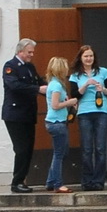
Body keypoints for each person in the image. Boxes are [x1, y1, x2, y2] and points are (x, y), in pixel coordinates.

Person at [0, 39, 45, 193]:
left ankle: (22, 180)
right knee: (21, 149)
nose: (31, 55)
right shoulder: (10, 66)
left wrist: (53, 89)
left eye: (32, 52)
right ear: (20, 51)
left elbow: (40, 82)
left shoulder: (30, 67)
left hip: (28, 114)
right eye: (29, 52)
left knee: (28, 148)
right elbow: (15, 86)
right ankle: (16, 182)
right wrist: (38, 89)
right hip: (14, 114)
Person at [69, 45, 107, 192]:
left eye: (91, 56)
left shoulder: (103, 72)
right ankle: (87, 181)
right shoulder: (75, 75)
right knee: (87, 149)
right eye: (86, 56)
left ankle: (99, 181)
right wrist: (86, 84)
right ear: (81, 58)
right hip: (84, 113)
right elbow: (75, 95)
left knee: (100, 148)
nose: (89, 59)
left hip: (101, 112)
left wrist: (103, 89)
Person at [41, 57, 76, 194]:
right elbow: (55, 105)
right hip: (57, 122)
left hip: (54, 122)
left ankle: (51, 181)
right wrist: (70, 102)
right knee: (60, 153)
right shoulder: (56, 85)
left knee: (60, 152)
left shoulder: (54, 83)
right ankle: (58, 184)